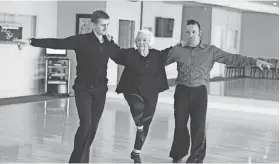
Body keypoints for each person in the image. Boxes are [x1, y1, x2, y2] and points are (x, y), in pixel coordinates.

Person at [14, 10, 123, 163]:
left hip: (100, 90)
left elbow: (121, 57)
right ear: (93, 25)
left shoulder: (108, 43)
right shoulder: (81, 40)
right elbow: (57, 43)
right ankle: (76, 161)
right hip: (83, 88)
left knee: (93, 129)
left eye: (107, 25)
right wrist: (31, 41)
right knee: (86, 124)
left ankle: (81, 160)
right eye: (103, 25)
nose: (106, 29)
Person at [165, 19, 272, 163]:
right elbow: (159, 60)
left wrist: (254, 61)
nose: (191, 35)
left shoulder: (211, 51)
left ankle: (196, 159)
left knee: (198, 126)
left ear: (200, 33)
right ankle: (178, 154)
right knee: (179, 124)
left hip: (199, 92)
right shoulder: (178, 50)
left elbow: (232, 59)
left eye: (194, 32)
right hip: (182, 91)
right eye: (188, 32)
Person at [113, 29, 174, 163]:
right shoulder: (129, 54)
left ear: (150, 42)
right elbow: (115, 53)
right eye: (139, 40)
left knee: (146, 121)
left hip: (151, 91)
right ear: (135, 42)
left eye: (145, 40)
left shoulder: (157, 55)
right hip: (131, 89)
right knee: (137, 106)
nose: (142, 43)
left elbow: (172, 52)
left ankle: (136, 152)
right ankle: (139, 127)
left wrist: (182, 45)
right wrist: (108, 41)